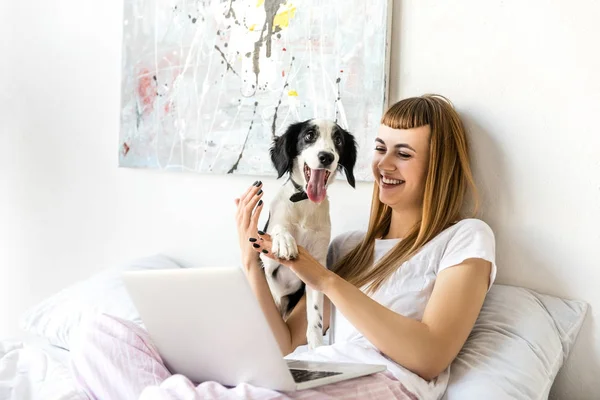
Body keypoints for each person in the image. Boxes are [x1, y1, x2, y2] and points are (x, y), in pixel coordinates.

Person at [70, 94, 496, 400]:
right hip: (314, 374)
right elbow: (284, 343)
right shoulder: (350, 248)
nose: (383, 165)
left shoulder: (464, 237)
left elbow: (430, 355)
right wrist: (251, 261)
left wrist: (326, 279)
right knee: (98, 334)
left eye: (403, 154)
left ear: (438, 166)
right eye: (381, 149)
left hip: (384, 384)